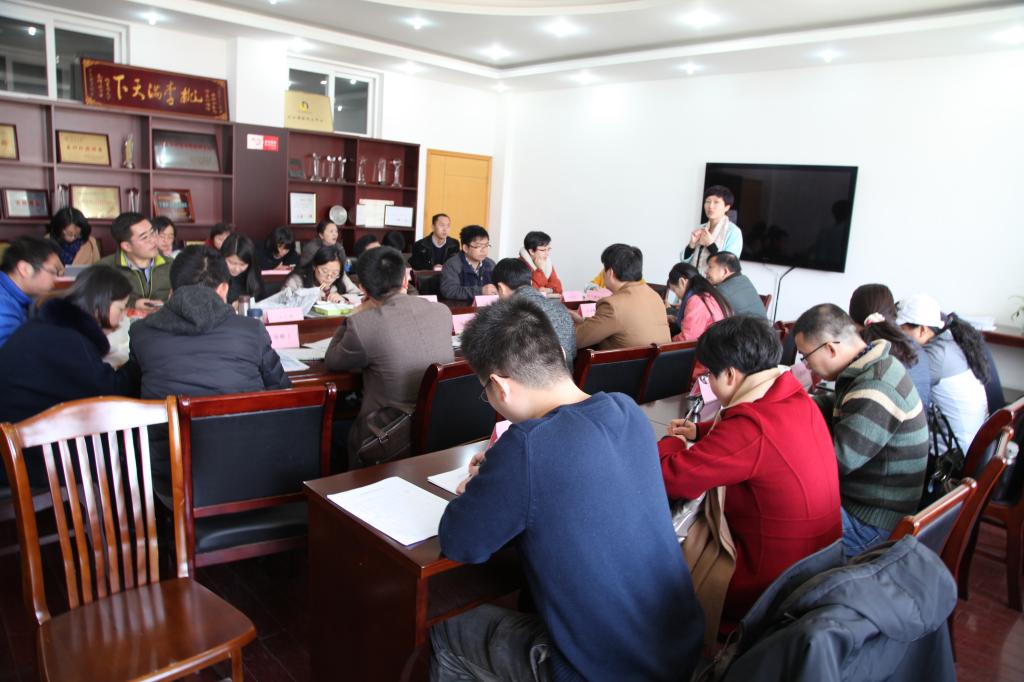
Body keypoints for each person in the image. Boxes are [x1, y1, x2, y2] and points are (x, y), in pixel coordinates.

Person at [431, 298, 704, 682]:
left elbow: (460, 542)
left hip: (605, 672)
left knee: (447, 629)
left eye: (485, 391)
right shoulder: (626, 410)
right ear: (560, 353)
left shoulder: (528, 445)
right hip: (679, 649)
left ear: (500, 387)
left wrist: (492, 479)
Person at [658, 316, 841, 632]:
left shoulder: (752, 427)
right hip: (817, 565)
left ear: (730, 374)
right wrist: (700, 431)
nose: (709, 382)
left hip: (765, 585)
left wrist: (671, 441)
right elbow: (751, 442)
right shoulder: (793, 395)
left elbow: (671, 478)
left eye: (709, 375)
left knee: (654, 559)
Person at [793, 304, 928, 557]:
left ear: (830, 349)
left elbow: (834, 462)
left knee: (775, 513)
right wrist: (795, 407)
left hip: (870, 522)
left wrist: (785, 445)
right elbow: (839, 404)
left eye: (805, 356)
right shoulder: (873, 365)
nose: (807, 365)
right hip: (868, 502)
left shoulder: (876, 387)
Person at [325, 246, 453, 468]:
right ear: (405, 279)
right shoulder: (442, 312)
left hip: (383, 439)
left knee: (330, 432)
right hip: (439, 430)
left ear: (363, 288)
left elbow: (333, 360)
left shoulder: (364, 324)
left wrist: (353, 315)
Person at [128, 245, 290, 399]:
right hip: (245, 418)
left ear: (172, 292)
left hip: (167, 420)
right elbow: (281, 389)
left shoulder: (140, 332)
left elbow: (132, 392)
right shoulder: (252, 330)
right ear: (224, 289)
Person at [0, 266, 139, 426]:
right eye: (121, 309)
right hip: (25, 434)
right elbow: (109, 391)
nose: (122, 318)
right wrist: (139, 361)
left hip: (19, 424)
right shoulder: (69, 340)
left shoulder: (50, 325)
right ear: (101, 302)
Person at [896, 293, 989, 452]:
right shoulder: (950, 341)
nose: (897, 336)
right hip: (968, 446)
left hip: (950, 455)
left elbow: (895, 384)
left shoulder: (935, 356)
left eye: (901, 330)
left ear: (922, 330)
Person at [573, 243, 670, 349]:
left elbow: (574, 340)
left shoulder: (612, 306)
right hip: (660, 359)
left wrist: (566, 320)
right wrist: (583, 321)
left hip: (623, 360)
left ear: (610, 273)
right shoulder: (655, 297)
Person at [849, 283, 930, 409]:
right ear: (893, 313)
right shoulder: (914, 347)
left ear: (852, 320)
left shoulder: (865, 355)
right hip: (920, 419)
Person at [492, 257, 575, 366]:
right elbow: (572, 353)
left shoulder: (509, 313)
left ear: (501, 288)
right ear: (530, 281)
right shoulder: (560, 308)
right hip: (565, 374)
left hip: (527, 375)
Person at [95, 212, 172, 309]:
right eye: (144, 237)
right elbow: (96, 301)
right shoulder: (104, 269)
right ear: (127, 246)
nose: (153, 240)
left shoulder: (172, 265)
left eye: (152, 233)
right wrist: (133, 304)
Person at [0, 236, 62, 347]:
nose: (56, 279)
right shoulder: (3, 306)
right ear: (25, 269)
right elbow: (11, 354)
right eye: (53, 272)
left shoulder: (18, 296)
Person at [683, 185, 743, 275]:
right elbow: (684, 261)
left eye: (716, 202)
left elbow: (730, 265)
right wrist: (691, 246)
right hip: (694, 279)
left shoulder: (734, 232)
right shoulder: (700, 228)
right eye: (707, 201)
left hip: (715, 283)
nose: (710, 206)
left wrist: (710, 245)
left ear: (727, 207)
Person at [666, 261, 732, 342]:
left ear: (682, 282)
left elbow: (687, 339)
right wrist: (676, 319)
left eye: (674, 290)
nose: (677, 295)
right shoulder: (707, 294)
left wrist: (666, 341)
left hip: (708, 346)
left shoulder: (696, 301)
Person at [439, 224, 497, 302]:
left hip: (486, 307)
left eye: (486, 245)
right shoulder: (452, 265)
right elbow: (449, 291)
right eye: (478, 246)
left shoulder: (490, 264)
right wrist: (480, 291)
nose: (484, 250)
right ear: (465, 248)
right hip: (461, 308)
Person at [705, 251, 767, 319]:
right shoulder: (744, 280)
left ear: (725, 271)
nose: (706, 272)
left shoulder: (721, 291)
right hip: (762, 325)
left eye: (710, 267)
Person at [283, 245, 355, 303]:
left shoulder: (341, 276)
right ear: (314, 266)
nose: (329, 277)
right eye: (324, 271)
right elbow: (284, 301)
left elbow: (359, 295)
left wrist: (343, 298)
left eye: (334, 273)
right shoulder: (297, 280)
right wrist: (309, 295)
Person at [220, 233, 265, 304]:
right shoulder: (212, 274)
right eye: (231, 262)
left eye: (242, 264)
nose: (236, 269)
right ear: (222, 257)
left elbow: (262, 299)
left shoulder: (253, 272)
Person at [519, 230, 563, 294]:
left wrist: (549, 290)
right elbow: (531, 291)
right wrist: (539, 270)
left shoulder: (546, 262)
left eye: (548, 249)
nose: (547, 253)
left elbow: (559, 288)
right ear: (531, 251)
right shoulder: (519, 265)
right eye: (543, 250)